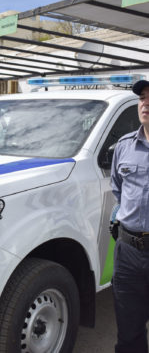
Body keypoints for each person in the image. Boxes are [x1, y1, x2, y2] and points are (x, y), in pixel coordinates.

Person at [111, 79, 149, 353]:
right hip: (128, 252)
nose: (145, 103)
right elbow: (118, 190)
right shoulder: (124, 146)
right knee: (128, 332)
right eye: (142, 98)